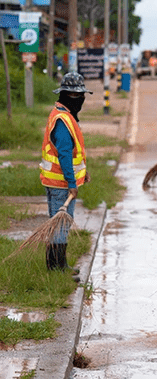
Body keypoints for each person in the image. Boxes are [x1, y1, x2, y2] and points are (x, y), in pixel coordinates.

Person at [39, 72, 93, 281]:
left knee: (60, 223)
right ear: (66, 96)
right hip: (60, 184)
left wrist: (82, 173)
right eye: (75, 95)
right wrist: (72, 183)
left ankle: (59, 265)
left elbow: (72, 153)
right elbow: (63, 154)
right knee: (60, 224)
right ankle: (56, 268)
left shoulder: (64, 115)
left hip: (58, 182)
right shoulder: (62, 120)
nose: (79, 99)